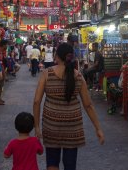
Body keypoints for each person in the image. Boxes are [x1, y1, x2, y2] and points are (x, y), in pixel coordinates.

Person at [33, 42, 104, 170]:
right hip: (73, 127)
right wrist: (98, 128)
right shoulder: (78, 76)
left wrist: (37, 126)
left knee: (52, 163)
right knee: (70, 164)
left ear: (57, 56)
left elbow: (37, 101)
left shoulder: (47, 73)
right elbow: (88, 105)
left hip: (51, 125)